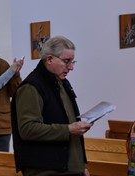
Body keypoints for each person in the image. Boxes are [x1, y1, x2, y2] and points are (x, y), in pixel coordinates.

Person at [11, 36, 93, 176]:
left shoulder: (61, 82)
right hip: (46, 170)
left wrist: (81, 165)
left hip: (69, 168)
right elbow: (28, 129)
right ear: (49, 59)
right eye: (67, 61)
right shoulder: (31, 87)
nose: (71, 67)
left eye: (72, 62)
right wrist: (68, 129)